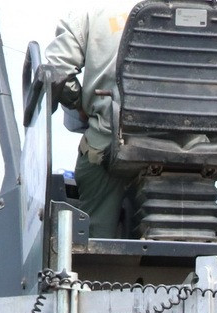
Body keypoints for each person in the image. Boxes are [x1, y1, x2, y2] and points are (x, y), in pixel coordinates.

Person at [41, 6, 136, 239]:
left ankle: (99, 263)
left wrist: (79, 104)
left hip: (112, 143)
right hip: (196, 148)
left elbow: (57, 70)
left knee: (96, 240)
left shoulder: (90, 15)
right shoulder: (206, 16)